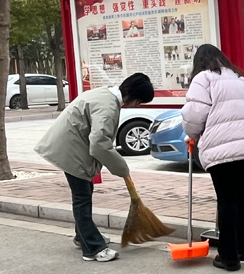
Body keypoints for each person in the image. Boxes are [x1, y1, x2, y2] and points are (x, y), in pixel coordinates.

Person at [35, 73, 155, 262]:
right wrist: (121, 168)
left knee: (84, 192)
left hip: (70, 145)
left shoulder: (105, 94)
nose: (138, 106)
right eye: (140, 102)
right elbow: (99, 142)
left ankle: (82, 235)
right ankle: (92, 247)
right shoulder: (108, 107)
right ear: (134, 97)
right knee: (82, 197)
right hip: (71, 149)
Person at [182, 44, 244, 271]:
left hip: (223, 150)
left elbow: (194, 113)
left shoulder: (203, 78)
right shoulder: (239, 79)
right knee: (243, 196)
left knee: (227, 199)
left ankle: (229, 257)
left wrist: (191, 135)